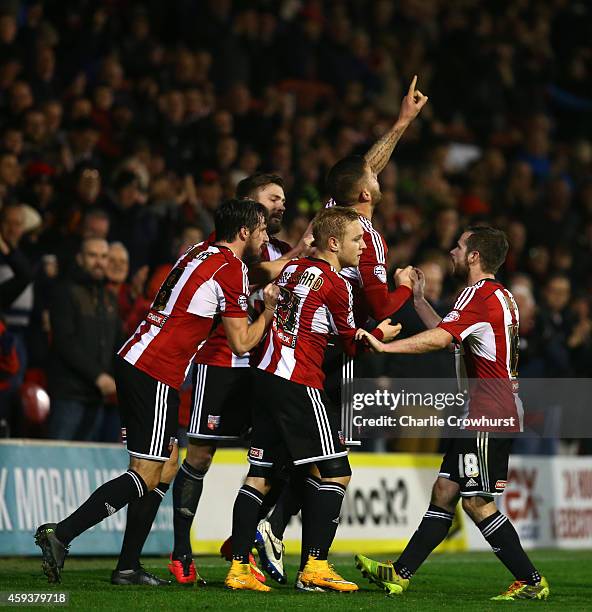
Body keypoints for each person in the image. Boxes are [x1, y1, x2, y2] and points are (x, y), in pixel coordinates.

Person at [34, 199, 279, 585]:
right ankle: (61, 534)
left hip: (137, 360)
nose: (267, 236)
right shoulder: (230, 268)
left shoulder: (200, 251)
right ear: (245, 232)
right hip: (155, 371)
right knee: (146, 473)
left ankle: (128, 566)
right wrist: (267, 311)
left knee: (165, 463)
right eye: (263, 229)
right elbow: (241, 343)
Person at [354, 226, 550, 601]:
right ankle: (400, 573)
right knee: (445, 491)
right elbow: (450, 333)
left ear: (474, 255)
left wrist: (384, 348)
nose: (453, 251)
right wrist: (419, 299)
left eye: (459, 247)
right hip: (487, 409)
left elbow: (441, 340)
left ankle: (530, 580)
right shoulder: (499, 295)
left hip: (488, 413)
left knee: (477, 502)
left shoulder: (477, 295)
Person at [225, 206, 401, 593]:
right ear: (334, 243)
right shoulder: (336, 285)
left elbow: (311, 323)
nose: (362, 247)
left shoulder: (292, 269)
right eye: (357, 240)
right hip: (299, 381)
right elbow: (350, 343)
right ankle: (316, 566)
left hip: (266, 375)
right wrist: (379, 336)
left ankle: (238, 567)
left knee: (260, 475)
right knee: (337, 471)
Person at [168, 173, 294, 586]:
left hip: (265, 366)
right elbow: (252, 273)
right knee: (200, 457)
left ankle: (241, 541)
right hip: (222, 361)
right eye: (271, 200)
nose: (279, 206)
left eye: (281, 200)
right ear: (248, 207)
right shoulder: (225, 247)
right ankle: (182, 552)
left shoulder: (281, 249)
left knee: (277, 458)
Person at [46, 237, 123, 441]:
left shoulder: (110, 299)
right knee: (58, 460)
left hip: (97, 397)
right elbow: (65, 342)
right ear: (80, 259)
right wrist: (98, 376)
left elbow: (117, 344)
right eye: (92, 255)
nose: (99, 261)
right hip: (69, 395)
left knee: (84, 463)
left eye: (103, 256)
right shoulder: (65, 292)